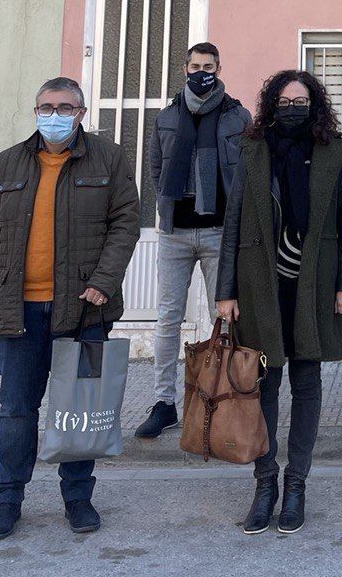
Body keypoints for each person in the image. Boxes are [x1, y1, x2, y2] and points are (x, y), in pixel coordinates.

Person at [0, 77, 140, 541]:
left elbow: (126, 224)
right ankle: (6, 501)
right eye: (46, 106)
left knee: (78, 408)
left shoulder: (109, 157)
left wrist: (104, 282)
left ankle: (78, 498)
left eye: (65, 107)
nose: (54, 114)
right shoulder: (7, 163)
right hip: (18, 312)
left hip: (84, 311)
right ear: (35, 110)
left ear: (81, 113)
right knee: (16, 412)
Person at [216, 69, 342, 537]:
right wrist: (225, 291)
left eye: (301, 100)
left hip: (315, 284)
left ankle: (297, 484)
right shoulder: (252, 149)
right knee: (266, 386)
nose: (292, 107)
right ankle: (265, 483)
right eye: (284, 100)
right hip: (262, 283)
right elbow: (233, 220)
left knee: (308, 381)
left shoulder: (335, 150)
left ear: (314, 105)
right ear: (271, 104)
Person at [135, 42, 250, 439]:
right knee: (168, 318)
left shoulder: (237, 116)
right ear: (184, 68)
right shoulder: (167, 116)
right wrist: (170, 205)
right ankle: (165, 402)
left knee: (226, 317)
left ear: (219, 69)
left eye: (209, 66)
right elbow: (155, 167)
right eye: (195, 66)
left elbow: (247, 172)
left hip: (220, 231)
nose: (202, 72)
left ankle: (222, 397)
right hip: (175, 234)